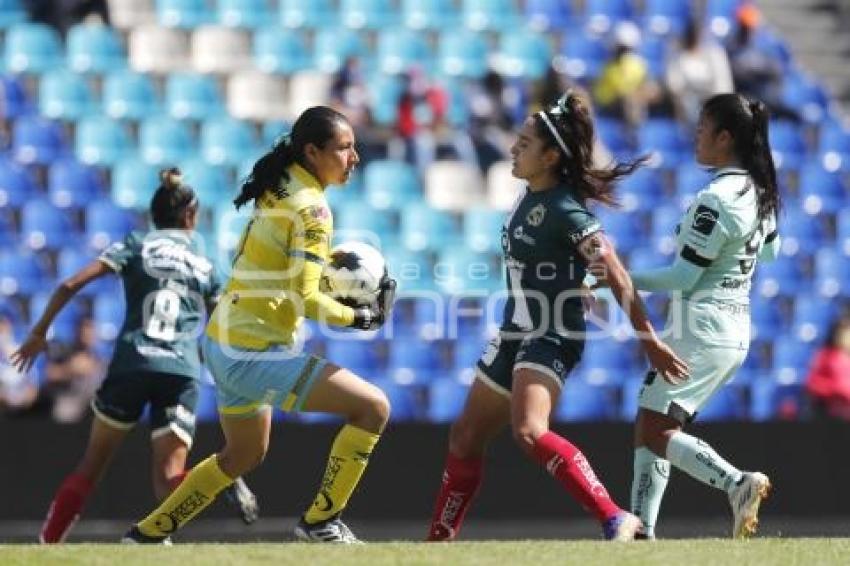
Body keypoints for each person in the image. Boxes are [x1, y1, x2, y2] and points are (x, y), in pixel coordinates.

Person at [121, 106, 397, 544]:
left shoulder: (284, 181)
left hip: (223, 341)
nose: (354, 157)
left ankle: (147, 534)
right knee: (373, 408)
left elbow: (285, 269)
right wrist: (359, 316)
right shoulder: (313, 210)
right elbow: (305, 298)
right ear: (312, 151)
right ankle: (320, 523)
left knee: (245, 453)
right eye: (345, 148)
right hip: (253, 351)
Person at [426, 91, 688, 542]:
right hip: (515, 330)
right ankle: (437, 543)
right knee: (465, 437)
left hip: (552, 331)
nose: (513, 148)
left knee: (528, 431)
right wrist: (582, 281)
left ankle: (615, 518)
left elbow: (618, 274)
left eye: (524, 143)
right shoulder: (530, 196)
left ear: (549, 156)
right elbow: (569, 265)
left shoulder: (568, 211)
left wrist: (650, 342)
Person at [11, 169, 259, 544]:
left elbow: (69, 283)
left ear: (153, 216)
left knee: (92, 465)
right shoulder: (205, 266)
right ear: (190, 217)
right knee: (169, 477)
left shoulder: (136, 244)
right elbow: (222, 328)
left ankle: (48, 544)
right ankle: (214, 480)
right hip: (181, 370)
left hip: (134, 362)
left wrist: (38, 332)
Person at [606, 93, 781, 540]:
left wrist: (619, 275)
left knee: (653, 427)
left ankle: (736, 483)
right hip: (734, 327)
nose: (695, 135)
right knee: (656, 422)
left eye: (703, 128)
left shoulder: (717, 197)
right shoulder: (760, 192)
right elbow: (773, 250)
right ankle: (643, 533)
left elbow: (683, 277)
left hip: (702, 326)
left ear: (725, 138)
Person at [665, 19, 733, 127]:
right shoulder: (678, 55)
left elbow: (723, 85)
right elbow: (675, 85)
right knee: (689, 106)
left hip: (713, 100)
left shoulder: (715, 53)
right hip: (690, 101)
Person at [806, 317, 850, 420]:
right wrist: (836, 389)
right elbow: (814, 383)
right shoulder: (826, 357)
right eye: (846, 334)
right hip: (835, 413)